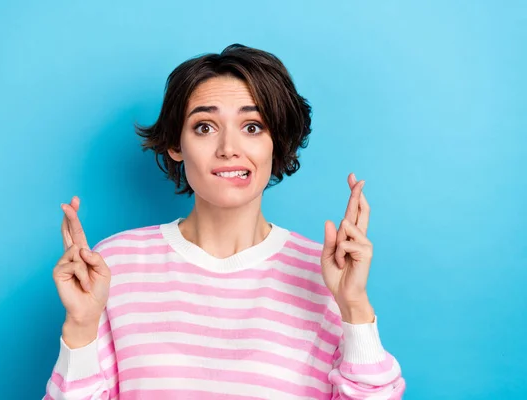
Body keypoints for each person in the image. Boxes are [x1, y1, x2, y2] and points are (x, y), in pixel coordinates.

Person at [44, 44, 406, 399]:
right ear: (175, 144)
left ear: (276, 143)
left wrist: (354, 305)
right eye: (205, 127)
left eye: (252, 127)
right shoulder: (115, 265)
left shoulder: (326, 275)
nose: (229, 147)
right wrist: (81, 324)